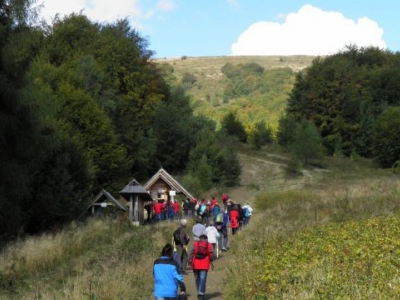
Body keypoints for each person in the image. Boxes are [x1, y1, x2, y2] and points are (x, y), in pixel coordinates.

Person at [191, 234, 213, 300]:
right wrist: (210, 259)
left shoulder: (195, 244)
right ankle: (201, 293)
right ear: (206, 239)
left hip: (195, 264)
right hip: (204, 264)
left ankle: (199, 292)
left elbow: (191, 253)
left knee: (197, 279)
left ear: (199, 239)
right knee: (203, 279)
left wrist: (190, 261)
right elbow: (212, 254)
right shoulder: (209, 245)